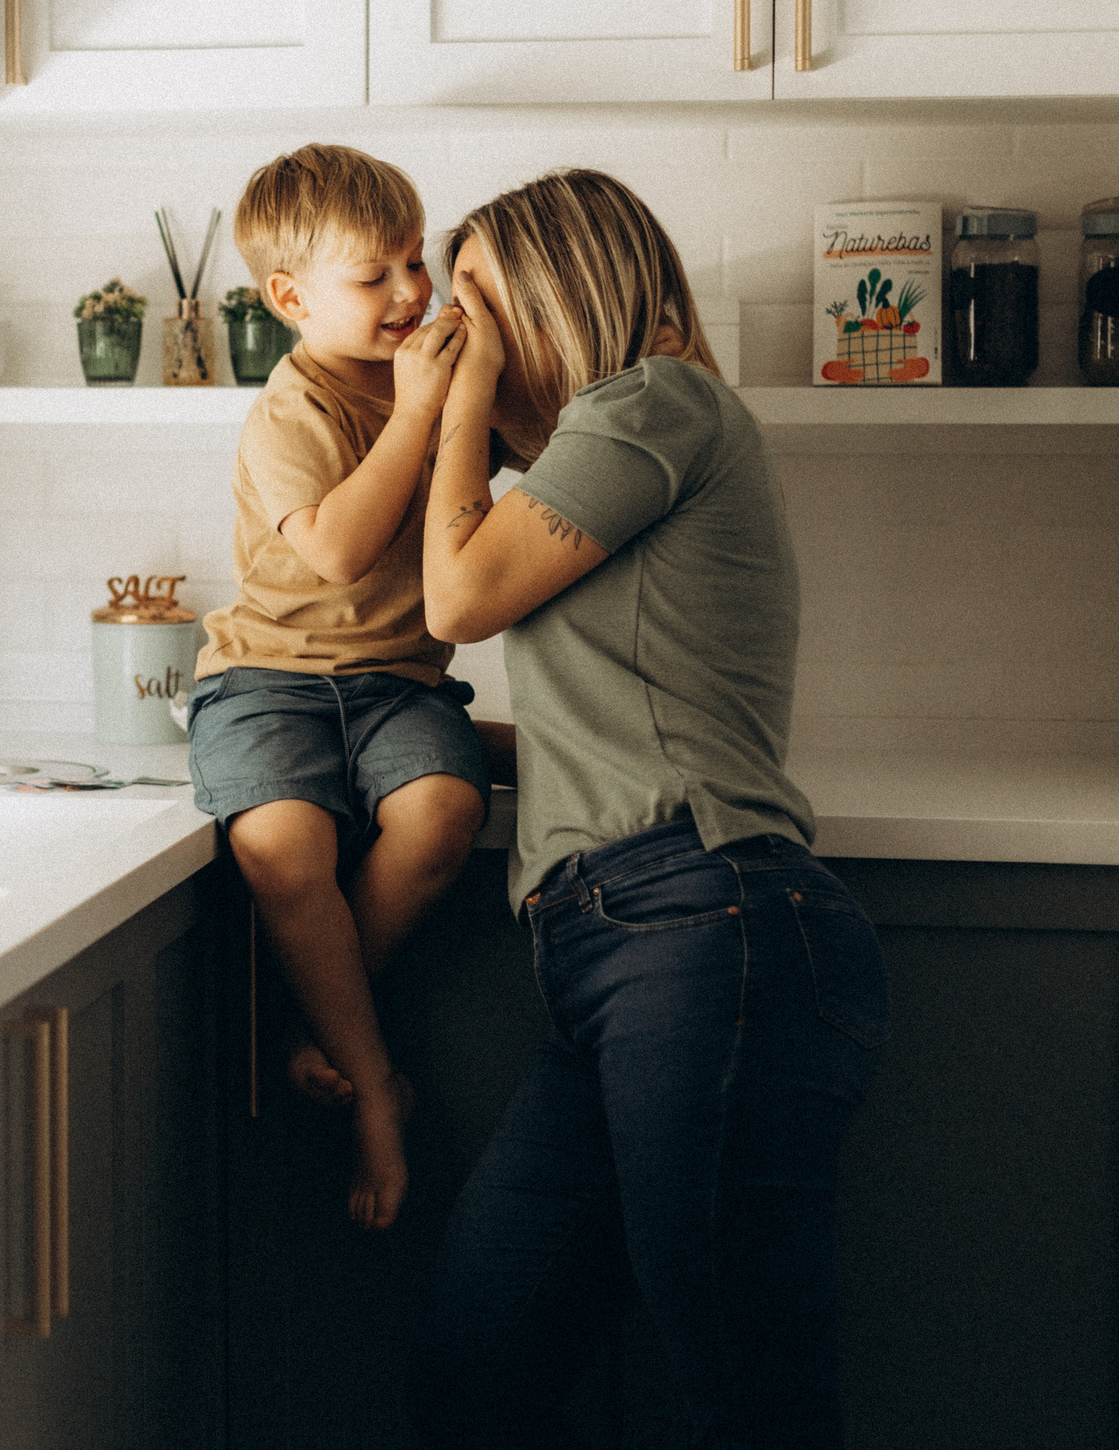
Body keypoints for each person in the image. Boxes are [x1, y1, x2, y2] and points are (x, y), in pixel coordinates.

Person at [409, 168, 891, 1448]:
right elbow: (611, 724)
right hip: (617, 953)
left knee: (751, 1396)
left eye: (471, 310)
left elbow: (454, 604)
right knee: (481, 1355)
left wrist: (453, 410)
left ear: (550, 300)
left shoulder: (653, 401)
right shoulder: (608, 463)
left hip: (704, 929)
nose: (453, 340)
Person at [187, 143, 494, 1231]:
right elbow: (340, 555)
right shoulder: (291, 410)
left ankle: (321, 1033)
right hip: (266, 680)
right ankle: (377, 1091)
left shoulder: (435, 373)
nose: (413, 292)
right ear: (289, 299)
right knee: (278, 846)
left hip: (397, 684)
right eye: (376, 276)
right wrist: (415, 415)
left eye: (417, 261)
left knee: (444, 811)